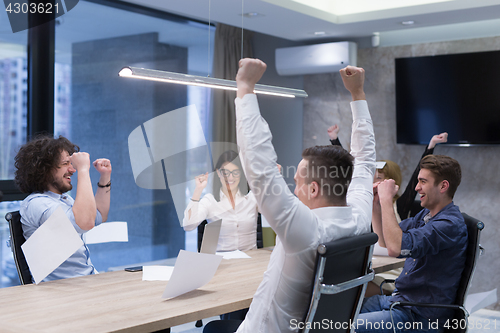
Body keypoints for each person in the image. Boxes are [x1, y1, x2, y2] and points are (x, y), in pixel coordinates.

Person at [203, 59, 375, 333]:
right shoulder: (360, 219)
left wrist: (245, 87)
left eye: (297, 182)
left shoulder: (305, 230)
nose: (294, 190)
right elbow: (365, 162)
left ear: (315, 189)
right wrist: (358, 93)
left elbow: (259, 169)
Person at [357, 154, 467, 333]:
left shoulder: (449, 224)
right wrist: (376, 204)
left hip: (418, 316)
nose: (417, 188)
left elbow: (396, 248)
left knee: (346, 327)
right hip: (401, 301)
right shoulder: (426, 216)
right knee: (339, 313)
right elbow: (386, 240)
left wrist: (387, 200)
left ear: (443, 186)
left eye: (423, 181)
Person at [14, 135, 112, 282]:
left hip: (84, 281)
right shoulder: (37, 204)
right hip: (61, 291)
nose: (73, 170)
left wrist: (105, 176)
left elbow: (98, 216)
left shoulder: (63, 200)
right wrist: (84, 170)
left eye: (72, 164)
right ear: (44, 169)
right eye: (66, 163)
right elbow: (85, 222)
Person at [183, 150, 259, 252]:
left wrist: (274, 180)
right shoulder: (210, 200)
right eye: (225, 172)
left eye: (235, 172)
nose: (230, 177)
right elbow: (188, 226)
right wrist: (198, 190)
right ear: (218, 173)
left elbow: (276, 213)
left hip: (251, 260)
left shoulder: (252, 198)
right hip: (223, 261)